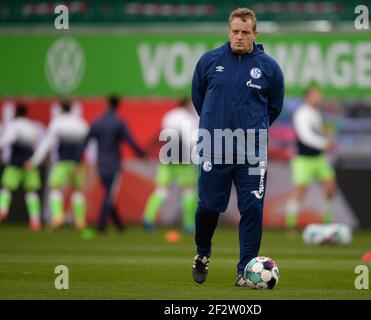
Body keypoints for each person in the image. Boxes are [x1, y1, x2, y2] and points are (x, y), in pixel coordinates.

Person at [191, 8, 284, 286]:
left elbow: (274, 108)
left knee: (252, 210)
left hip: (252, 151)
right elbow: (198, 99)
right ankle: (203, 253)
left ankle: (245, 270)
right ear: (228, 31)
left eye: (245, 32)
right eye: (235, 31)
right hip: (215, 146)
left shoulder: (269, 68)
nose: (240, 37)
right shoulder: (209, 61)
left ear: (255, 33)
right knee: (208, 207)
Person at [76, 96, 146, 232]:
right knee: (109, 194)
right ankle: (101, 223)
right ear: (117, 105)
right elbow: (130, 141)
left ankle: (119, 225)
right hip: (114, 164)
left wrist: (77, 159)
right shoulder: (119, 122)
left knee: (109, 193)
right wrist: (141, 154)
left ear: (107, 104)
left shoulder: (97, 122)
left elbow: (85, 141)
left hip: (100, 163)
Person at [26, 101, 89, 231]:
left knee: (55, 187)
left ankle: (58, 215)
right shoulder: (80, 123)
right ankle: (80, 220)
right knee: (77, 189)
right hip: (78, 163)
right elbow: (88, 141)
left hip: (63, 162)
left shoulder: (58, 122)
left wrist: (34, 160)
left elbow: (47, 143)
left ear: (60, 109)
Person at [142, 97, 199, 234]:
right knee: (189, 189)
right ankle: (189, 225)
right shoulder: (189, 118)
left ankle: (148, 218)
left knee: (162, 189)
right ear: (186, 105)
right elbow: (192, 140)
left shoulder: (169, 116)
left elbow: (163, 134)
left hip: (167, 155)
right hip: (183, 157)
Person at [284, 87, 336, 229]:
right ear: (308, 97)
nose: (319, 98)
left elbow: (318, 131)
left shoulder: (317, 112)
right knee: (300, 190)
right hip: (303, 158)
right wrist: (324, 143)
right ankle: (291, 221)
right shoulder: (301, 113)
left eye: (319, 95)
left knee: (330, 186)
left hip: (318, 157)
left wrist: (326, 134)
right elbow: (305, 136)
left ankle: (327, 219)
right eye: (316, 95)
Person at [0, 104, 42, 231]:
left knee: (7, 187)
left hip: (16, 161)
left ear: (16, 113)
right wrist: (34, 161)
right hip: (29, 161)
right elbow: (37, 143)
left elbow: (8, 139)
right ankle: (35, 220)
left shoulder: (14, 125)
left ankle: (2, 210)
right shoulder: (32, 126)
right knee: (31, 191)